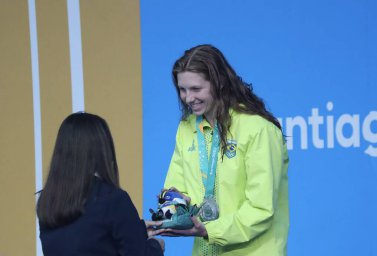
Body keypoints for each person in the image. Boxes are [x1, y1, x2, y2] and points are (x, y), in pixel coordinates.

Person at [161, 44, 289, 255]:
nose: (187, 98)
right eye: (182, 90)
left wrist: (209, 229)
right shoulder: (186, 128)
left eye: (196, 89)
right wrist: (169, 210)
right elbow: (175, 188)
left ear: (219, 83)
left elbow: (261, 208)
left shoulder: (258, 129)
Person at [36, 112, 165, 256]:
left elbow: (84, 237)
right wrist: (156, 246)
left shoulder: (47, 201)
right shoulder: (113, 199)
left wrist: (137, 231)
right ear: (102, 149)